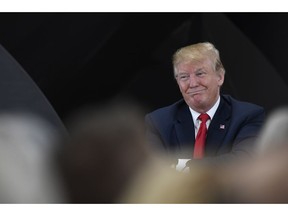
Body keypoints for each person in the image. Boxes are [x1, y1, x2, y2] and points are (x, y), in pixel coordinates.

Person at [145, 42, 265, 166]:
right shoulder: (158, 122)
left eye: (200, 74)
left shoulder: (247, 116)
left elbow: (243, 162)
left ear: (220, 77)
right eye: (184, 77)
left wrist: (181, 166)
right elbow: (151, 170)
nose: (193, 84)